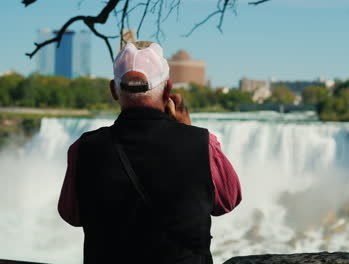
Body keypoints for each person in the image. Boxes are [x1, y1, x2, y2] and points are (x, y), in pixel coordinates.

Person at [58, 41, 242, 264]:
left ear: (114, 91)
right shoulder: (203, 144)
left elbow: (72, 215)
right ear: (167, 90)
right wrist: (188, 130)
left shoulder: (83, 149)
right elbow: (228, 201)